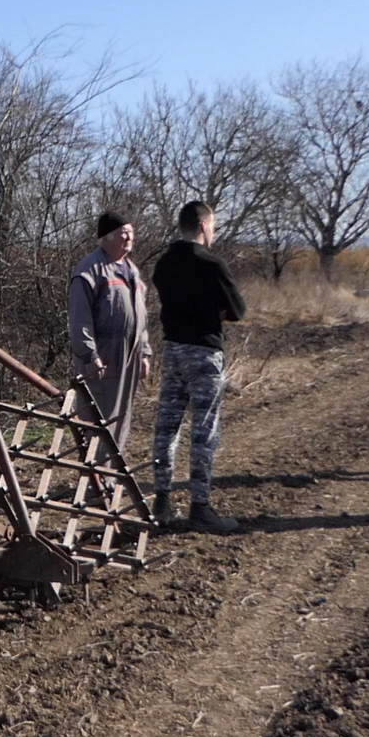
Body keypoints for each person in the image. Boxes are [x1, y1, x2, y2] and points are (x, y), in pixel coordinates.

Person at [149, 201, 247, 533]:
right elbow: (238, 309)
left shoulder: (163, 263)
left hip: (172, 351)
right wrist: (210, 313)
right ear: (204, 226)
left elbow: (169, 302)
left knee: (166, 427)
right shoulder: (212, 264)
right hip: (204, 354)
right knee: (204, 432)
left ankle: (161, 502)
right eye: (213, 227)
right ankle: (200, 507)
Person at [68, 210, 152, 465]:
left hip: (129, 357)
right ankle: (96, 482)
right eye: (122, 233)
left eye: (130, 232)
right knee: (99, 421)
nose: (128, 237)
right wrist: (89, 355)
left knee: (121, 419)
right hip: (101, 360)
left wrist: (145, 352)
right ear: (106, 238)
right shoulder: (90, 270)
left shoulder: (131, 271)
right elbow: (79, 318)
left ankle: (110, 477)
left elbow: (141, 316)